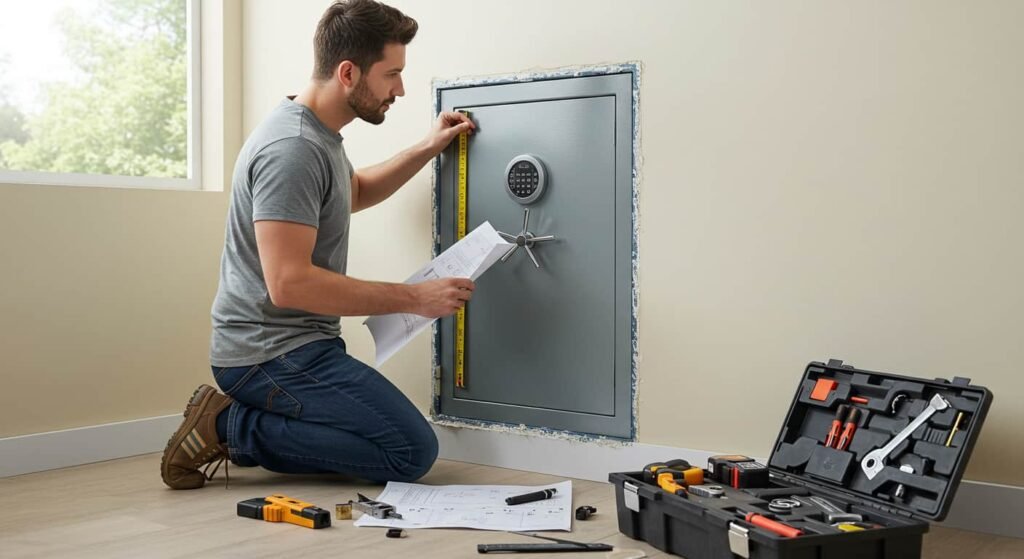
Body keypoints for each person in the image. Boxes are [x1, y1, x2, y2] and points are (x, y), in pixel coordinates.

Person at [161, 0, 476, 490]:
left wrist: (427, 147)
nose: (400, 89)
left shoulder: (319, 136)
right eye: (391, 74)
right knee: (409, 452)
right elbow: (289, 285)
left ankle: (243, 424)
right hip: (265, 354)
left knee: (398, 443)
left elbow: (353, 193)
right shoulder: (292, 148)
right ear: (348, 72)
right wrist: (416, 298)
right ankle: (228, 426)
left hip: (299, 346)